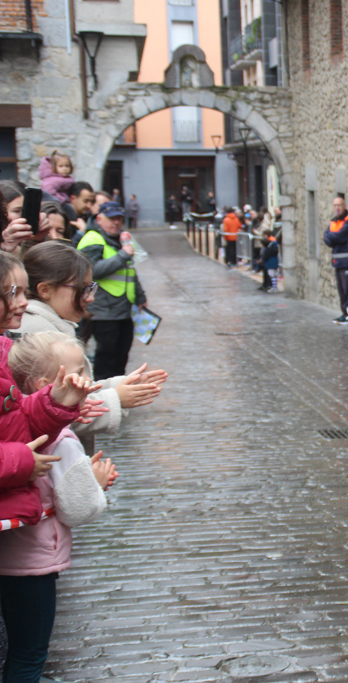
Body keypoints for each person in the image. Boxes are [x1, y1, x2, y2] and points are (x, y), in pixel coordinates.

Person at [1, 331, 118, 682]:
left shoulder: (9, 423)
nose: (88, 377)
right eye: (80, 371)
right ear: (46, 385)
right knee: (28, 652)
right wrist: (95, 483)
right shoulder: (62, 438)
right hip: (31, 561)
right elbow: (76, 508)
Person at [20, 241, 165, 454]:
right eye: (83, 289)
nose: (90, 297)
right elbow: (52, 410)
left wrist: (119, 385)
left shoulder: (48, 324)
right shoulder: (40, 333)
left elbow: (69, 394)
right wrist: (116, 397)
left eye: (91, 287)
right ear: (45, 290)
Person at [0, 250, 94, 530]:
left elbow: (15, 423)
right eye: (12, 293)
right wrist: (21, 461)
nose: (23, 302)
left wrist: (55, 403)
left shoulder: (4, 350)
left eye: (23, 291)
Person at [77, 201, 147, 380]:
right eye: (111, 219)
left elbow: (130, 271)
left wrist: (140, 296)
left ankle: (119, 389)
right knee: (106, 358)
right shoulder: (92, 239)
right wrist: (122, 255)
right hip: (103, 310)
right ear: (99, 219)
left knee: (121, 355)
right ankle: (105, 391)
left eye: (119, 219)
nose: (116, 222)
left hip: (124, 309)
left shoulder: (122, 239)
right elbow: (91, 271)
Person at [324, 193, 348, 325]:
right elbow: (326, 237)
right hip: (338, 260)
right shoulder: (333, 222)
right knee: (341, 288)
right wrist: (333, 237)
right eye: (335, 205)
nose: (337, 208)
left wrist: (333, 237)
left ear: (345, 206)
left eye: (339, 205)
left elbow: (340, 237)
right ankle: (344, 313)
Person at [259, 228, 280, 293]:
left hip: (270, 262)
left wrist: (262, 259)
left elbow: (267, 253)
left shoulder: (270, 244)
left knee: (272, 275)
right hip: (272, 262)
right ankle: (272, 286)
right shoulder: (273, 243)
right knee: (272, 275)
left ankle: (273, 287)